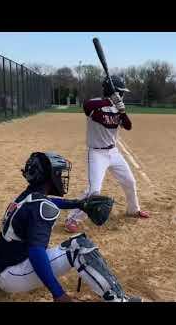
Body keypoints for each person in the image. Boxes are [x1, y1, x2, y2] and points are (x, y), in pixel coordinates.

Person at [0, 151, 141, 302]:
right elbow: (36, 253)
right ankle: (119, 300)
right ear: (49, 177)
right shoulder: (40, 207)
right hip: (14, 275)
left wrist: (77, 204)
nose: (61, 178)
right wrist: (58, 294)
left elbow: (48, 201)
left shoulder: (26, 196)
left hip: (3, 264)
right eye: (59, 174)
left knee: (55, 246)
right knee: (79, 247)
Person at [64, 75, 149, 233]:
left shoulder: (118, 106)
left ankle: (133, 209)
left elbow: (128, 126)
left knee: (130, 182)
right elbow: (86, 106)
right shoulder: (96, 104)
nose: (122, 95)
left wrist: (122, 111)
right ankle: (72, 218)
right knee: (94, 190)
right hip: (97, 154)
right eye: (120, 92)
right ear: (113, 91)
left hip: (113, 152)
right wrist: (110, 101)